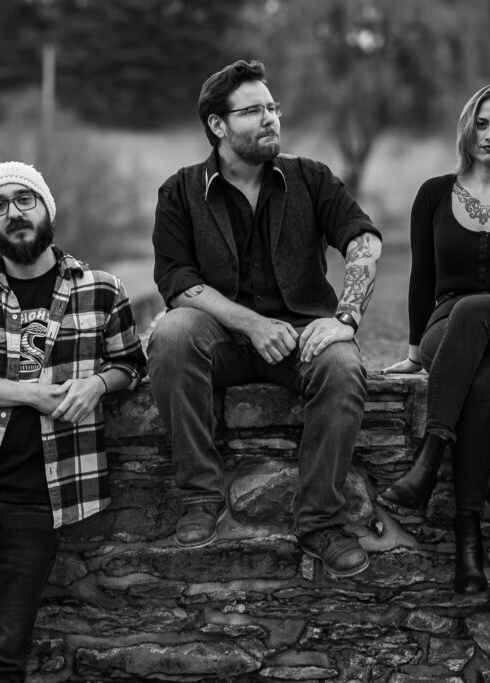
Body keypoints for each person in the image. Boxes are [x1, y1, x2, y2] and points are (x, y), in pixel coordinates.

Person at [0, 161, 148, 682]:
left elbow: (130, 364)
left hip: (36, 502)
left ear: (46, 209)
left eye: (24, 200)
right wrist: (32, 396)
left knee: (0, 661)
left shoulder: (101, 289)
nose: (13, 213)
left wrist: (97, 384)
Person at [147, 59, 382, 578]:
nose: (271, 118)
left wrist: (345, 316)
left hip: (302, 336)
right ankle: (199, 497)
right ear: (217, 125)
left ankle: (320, 520)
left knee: (343, 366)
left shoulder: (311, 177)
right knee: (172, 333)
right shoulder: (180, 191)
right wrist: (251, 324)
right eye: (253, 110)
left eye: (272, 107)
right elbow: (177, 282)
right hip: (222, 340)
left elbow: (362, 239)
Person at [378, 83, 490, 594]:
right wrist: (415, 354)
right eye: (482, 123)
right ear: (467, 129)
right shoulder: (434, 194)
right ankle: (468, 542)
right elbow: (421, 279)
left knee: (477, 310)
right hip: (447, 327)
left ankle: (430, 456)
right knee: (480, 377)